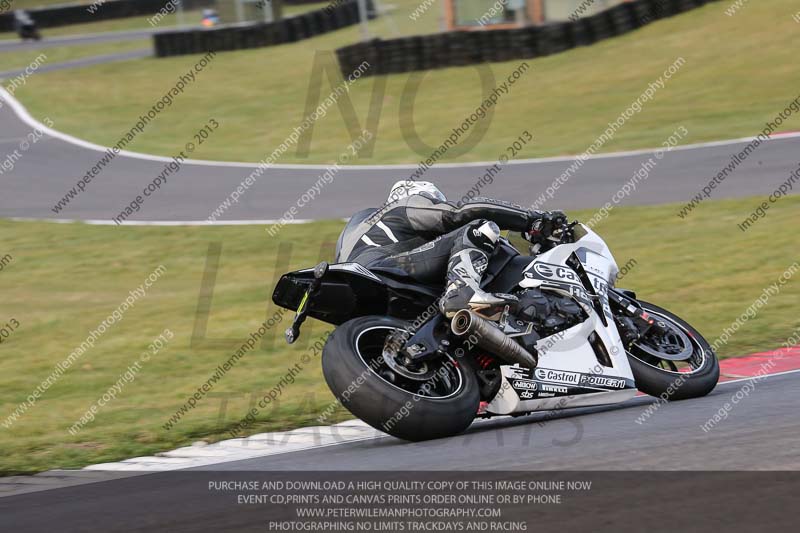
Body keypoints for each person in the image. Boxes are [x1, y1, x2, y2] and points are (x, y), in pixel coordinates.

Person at [335, 181, 566, 319]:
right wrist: (532, 220)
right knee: (480, 228)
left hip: (360, 293)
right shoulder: (402, 206)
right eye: (434, 200)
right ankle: (462, 293)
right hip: (386, 268)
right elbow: (459, 212)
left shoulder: (356, 231)